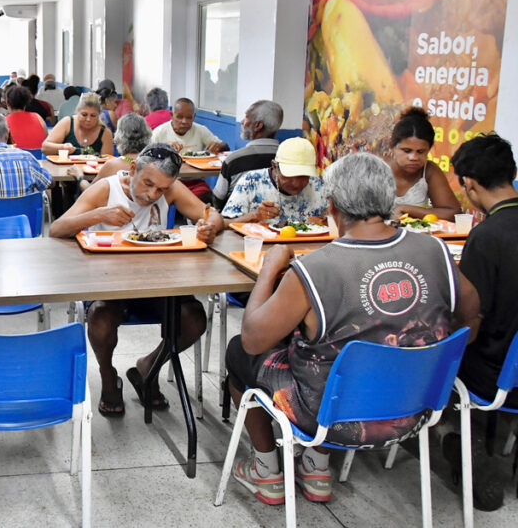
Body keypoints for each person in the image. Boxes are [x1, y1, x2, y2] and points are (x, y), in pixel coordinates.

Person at [223, 152, 479, 506]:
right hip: (415, 410)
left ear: (332, 205)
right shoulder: (436, 250)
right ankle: (315, 467)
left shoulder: (315, 268)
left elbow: (254, 340)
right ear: (390, 200)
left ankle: (267, 470)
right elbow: (470, 313)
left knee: (238, 351)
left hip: (331, 418)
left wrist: (269, 270)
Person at [48, 143, 224, 415]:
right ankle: (108, 377)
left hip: (158, 281)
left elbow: (212, 215)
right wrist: (99, 214)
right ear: (133, 170)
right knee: (101, 319)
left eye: (162, 189)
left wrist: (210, 226)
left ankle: (148, 367)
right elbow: (57, 229)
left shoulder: (172, 189)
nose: (153, 194)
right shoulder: (107, 188)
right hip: (109, 281)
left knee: (194, 318)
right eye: (147, 184)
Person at [445, 134, 517, 511]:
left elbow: (469, 319)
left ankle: (464, 445)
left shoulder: (487, 236)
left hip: (494, 374)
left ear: (468, 184)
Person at [221, 138, 326, 227]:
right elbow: (224, 224)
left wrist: (325, 220)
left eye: (304, 176)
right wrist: (254, 216)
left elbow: (332, 222)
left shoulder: (317, 185)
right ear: (274, 166)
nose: (297, 184)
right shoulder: (251, 182)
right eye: (289, 175)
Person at [387, 107, 462, 221]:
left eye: (421, 152)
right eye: (407, 151)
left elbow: (453, 213)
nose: (414, 158)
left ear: (429, 149)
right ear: (392, 147)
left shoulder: (429, 170)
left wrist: (406, 209)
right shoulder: (376, 168)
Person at [214, 100, 283, 207]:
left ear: (258, 126)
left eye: (246, 117)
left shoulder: (234, 160)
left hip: (237, 221)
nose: (242, 122)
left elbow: (217, 200)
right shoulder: (286, 158)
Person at [72, 112, 152, 192]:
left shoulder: (113, 166)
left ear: (119, 136)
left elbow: (90, 191)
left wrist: (79, 176)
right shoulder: (154, 164)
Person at [42, 92, 114, 157]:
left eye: (93, 116)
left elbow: (107, 161)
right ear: (77, 112)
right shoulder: (67, 123)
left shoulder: (105, 133)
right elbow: (45, 148)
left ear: (99, 115)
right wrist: (63, 147)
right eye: (84, 115)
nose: (88, 119)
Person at [151, 97, 228, 154]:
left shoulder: (200, 130)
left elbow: (225, 146)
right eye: (180, 117)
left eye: (189, 118)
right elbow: (145, 156)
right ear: (171, 115)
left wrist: (218, 146)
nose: (184, 121)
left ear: (194, 117)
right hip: (167, 175)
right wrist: (164, 149)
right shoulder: (159, 133)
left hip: (195, 175)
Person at [4, 86, 47, 151]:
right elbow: (46, 140)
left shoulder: (3, 122)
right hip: (38, 159)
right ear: (26, 102)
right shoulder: (38, 117)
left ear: (7, 102)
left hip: (16, 158)